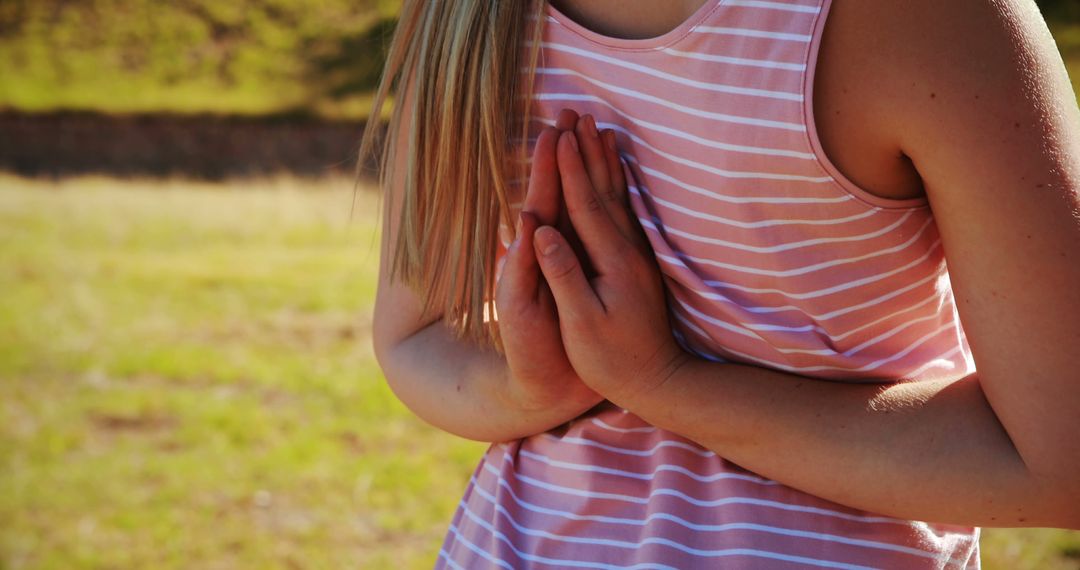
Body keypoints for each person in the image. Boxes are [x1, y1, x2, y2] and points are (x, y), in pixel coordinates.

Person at [364, 0, 1080, 567]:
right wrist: (535, 388)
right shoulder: (463, 15)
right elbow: (413, 334)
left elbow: (1062, 465)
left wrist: (662, 383)